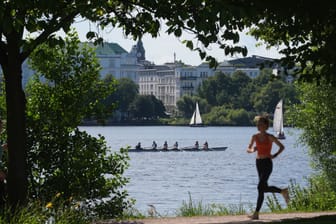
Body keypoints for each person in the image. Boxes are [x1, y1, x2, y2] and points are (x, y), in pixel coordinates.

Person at [247, 116, 289, 220]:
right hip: (258, 163)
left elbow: (282, 147)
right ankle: (282, 191)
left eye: (261, 123)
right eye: (258, 124)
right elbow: (248, 148)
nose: (259, 125)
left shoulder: (270, 137)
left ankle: (256, 213)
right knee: (262, 188)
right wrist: (253, 150)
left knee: (260, 187)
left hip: (267, 163)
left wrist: (274, 155)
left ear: (266, 125)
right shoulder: (254, 136)